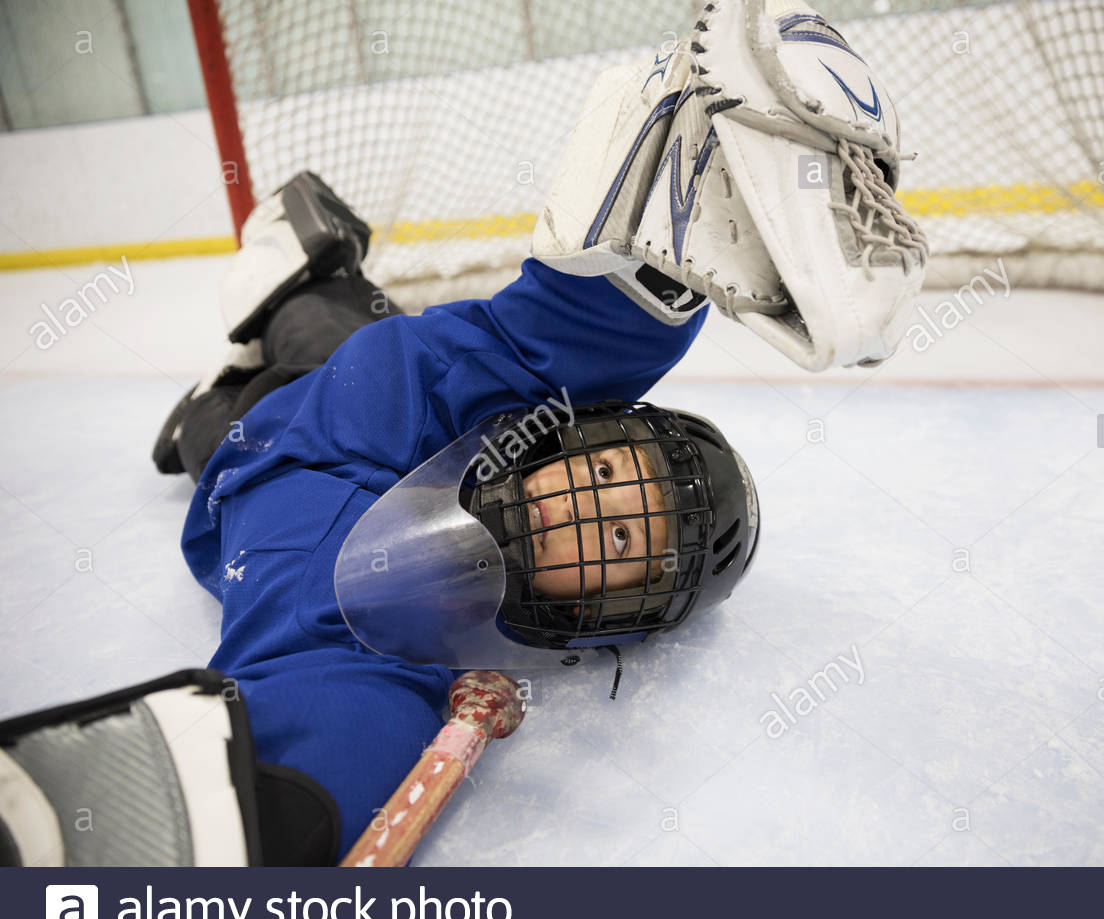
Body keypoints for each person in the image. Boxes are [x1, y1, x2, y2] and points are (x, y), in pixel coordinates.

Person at [1, 0, 921, 865]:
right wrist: (653, 266)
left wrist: (270, 812)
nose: (575, 504)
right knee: (349, 348)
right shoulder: (496, 419)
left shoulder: (367, 602)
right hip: (353, 406)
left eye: (614, 537)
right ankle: (296, 291)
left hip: (275, 456)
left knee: (267, 402)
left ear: (598, 617)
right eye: (604, 472)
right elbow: (535, 351)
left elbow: (333, 700)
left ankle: (248, 358)